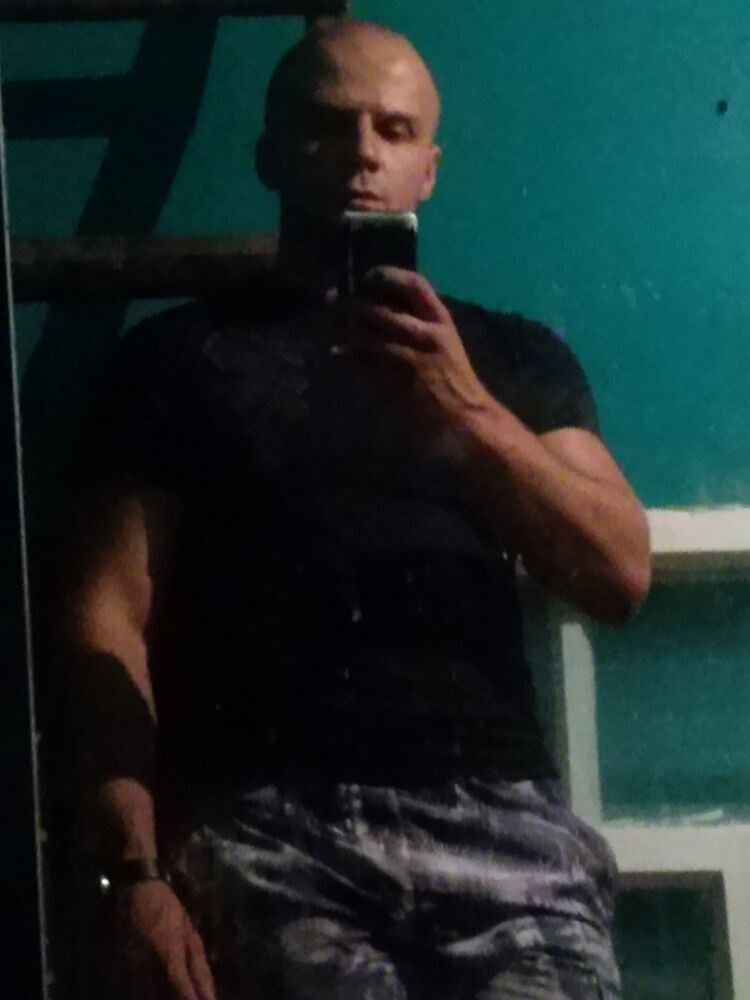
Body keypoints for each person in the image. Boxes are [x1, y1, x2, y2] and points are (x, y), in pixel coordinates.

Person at [62, 18, 651, 1000]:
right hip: (272, 825)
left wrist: (464, 409)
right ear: (270, 157)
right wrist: (132, 871)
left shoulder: (509, 358)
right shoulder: (176, 360)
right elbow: (104, 618)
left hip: (502, 827)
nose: (362, 154)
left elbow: (619, 573)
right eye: (326, 127)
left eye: (393, 129)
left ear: (429, 169)